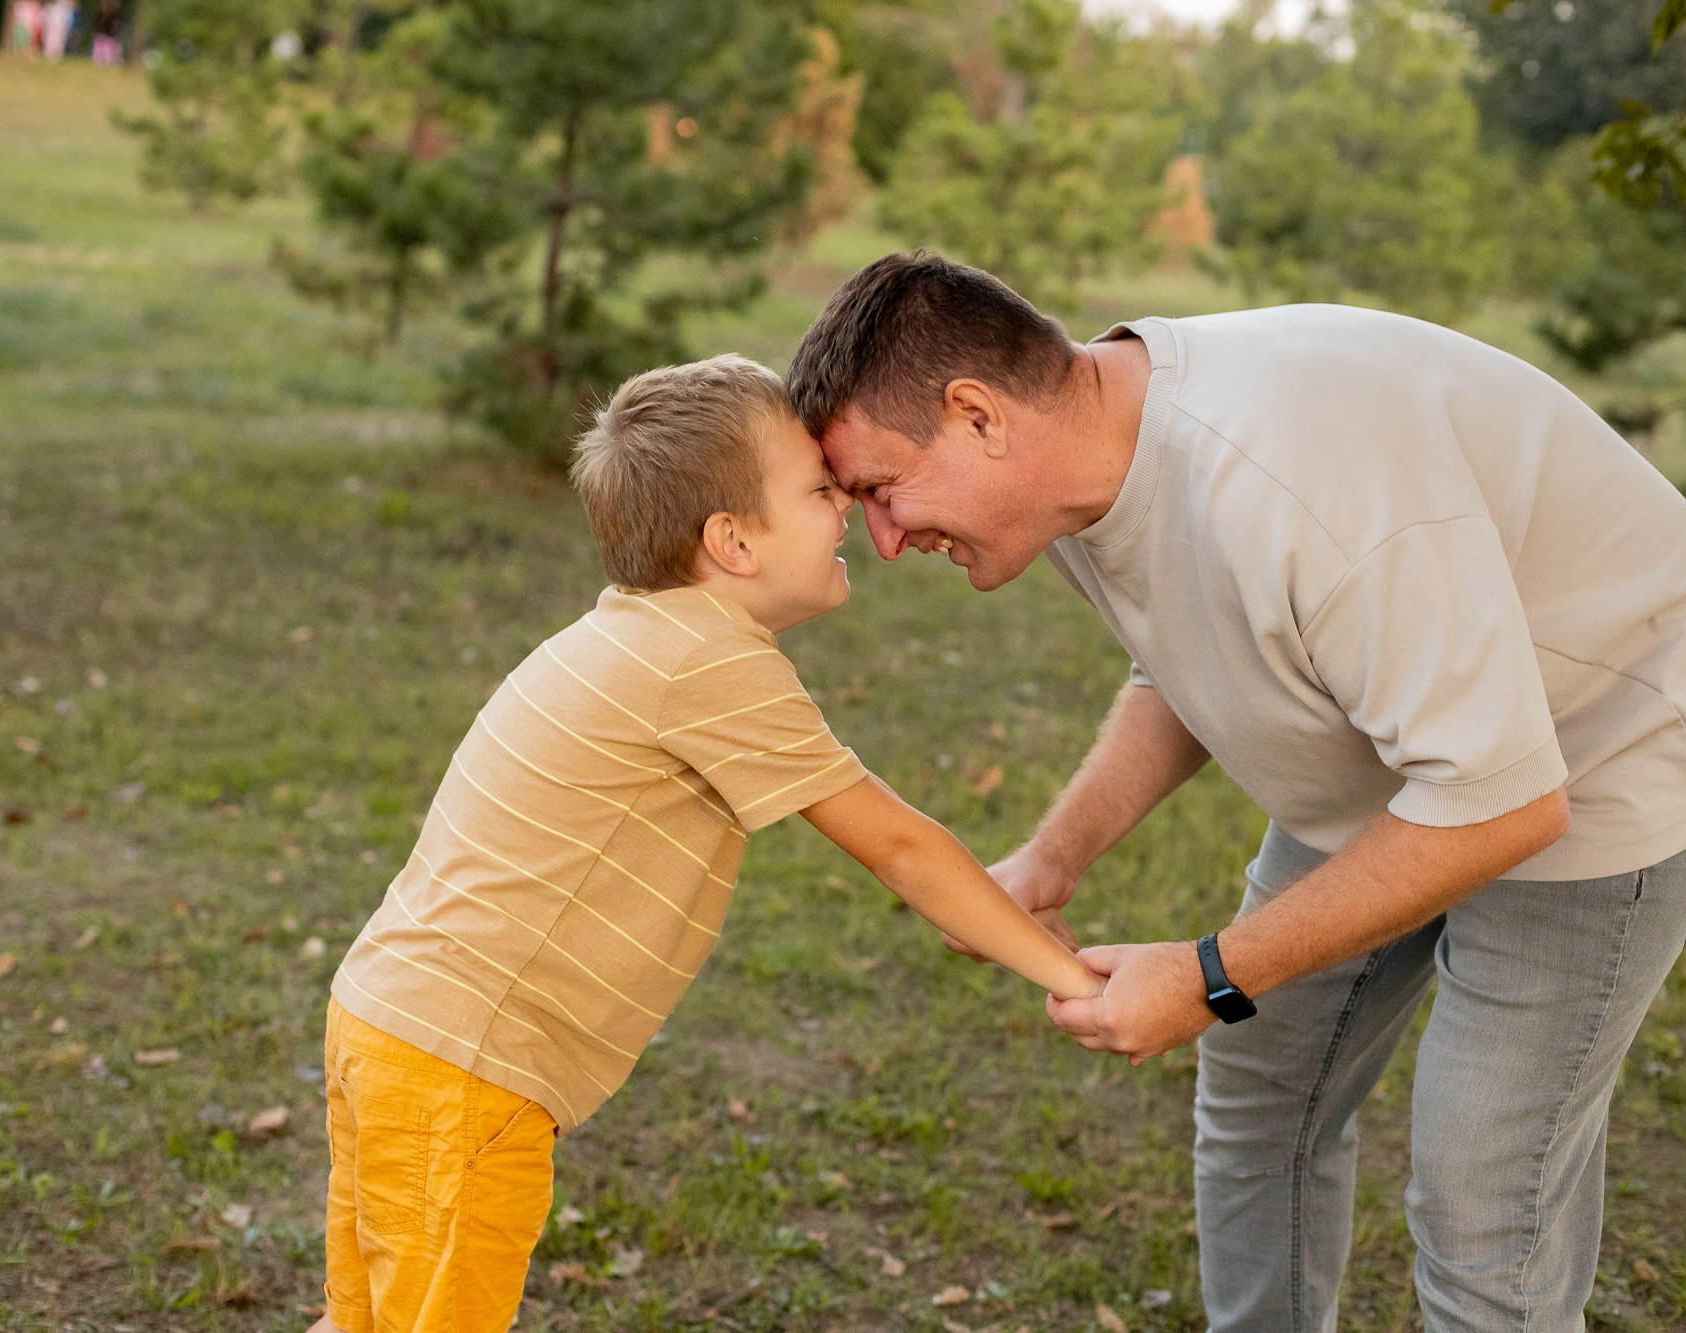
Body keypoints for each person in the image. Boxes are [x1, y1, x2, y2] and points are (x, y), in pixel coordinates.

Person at [787, 253, 1686, 1332]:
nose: (882, 539)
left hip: (1600, 758)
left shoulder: (1292, 485)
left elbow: (1502, 803)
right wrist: (1049, 860)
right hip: (1413, 748)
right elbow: (1187, 656)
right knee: (1262, 1091)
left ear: (976, 415)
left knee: (1483, 1199)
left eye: (881, 489)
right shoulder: (1081, 471)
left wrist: (1206, 976)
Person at [306, 354, 1101, 1333]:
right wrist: (1069, 977)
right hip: (462, 1065)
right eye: (817, 489)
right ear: (730, 540)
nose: (846, 505)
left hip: (397, 1029)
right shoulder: (704, 662)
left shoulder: (644, 636)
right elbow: (897, 845)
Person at [91, 0, 122, 67]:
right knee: (99, 50)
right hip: (100, 36)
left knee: (108, 51)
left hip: (109, 37)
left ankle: (108, 62)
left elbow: (116, 27)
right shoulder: (101, 15)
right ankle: (98, 62)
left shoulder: (114, 17)